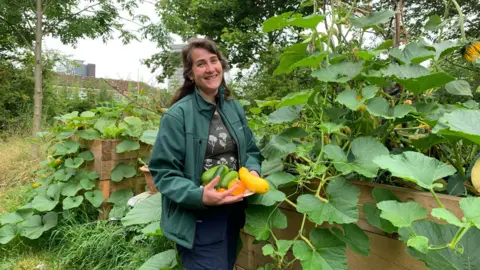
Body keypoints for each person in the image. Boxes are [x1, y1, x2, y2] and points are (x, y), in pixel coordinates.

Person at [149, 38, 262, 270]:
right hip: (198, 218)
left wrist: (252, 171)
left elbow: (250, 150)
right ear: (190, 74)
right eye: (201, 64)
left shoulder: (233, 108)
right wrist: (199, 196)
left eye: (214, 61)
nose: (210, 68)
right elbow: (163, 173)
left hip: (233, 211)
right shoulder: (177, 116)